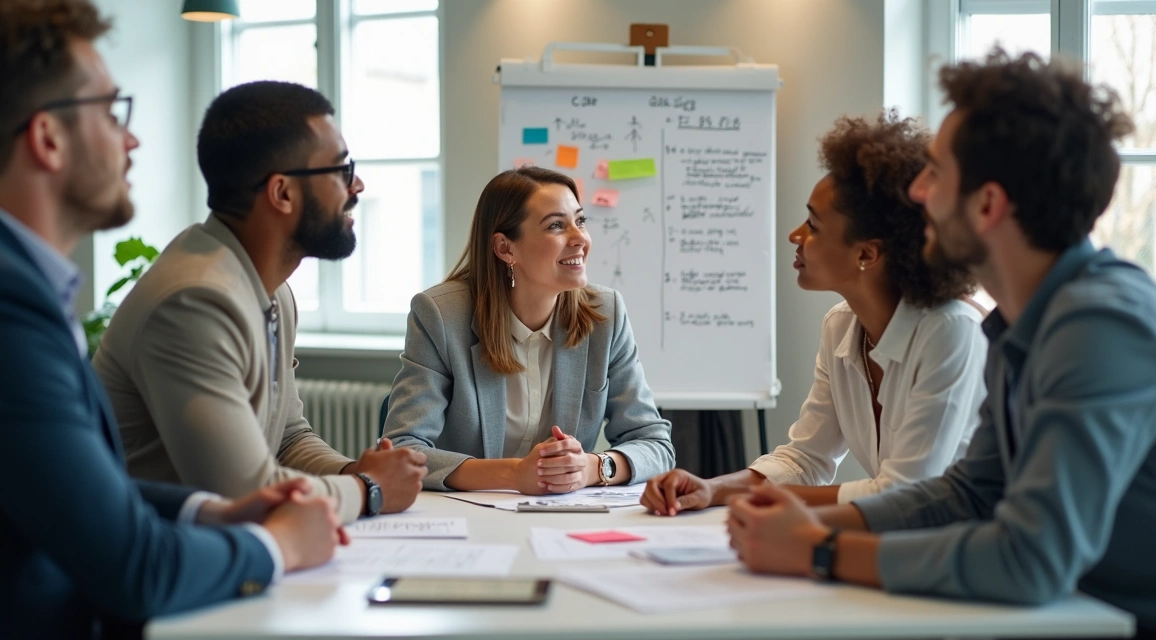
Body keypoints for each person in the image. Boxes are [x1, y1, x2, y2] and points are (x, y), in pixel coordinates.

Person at [0, 1, 343, 637]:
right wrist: (279, 546)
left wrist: (213, 512)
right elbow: (135, 569)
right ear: (48, 138)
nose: (131, 138)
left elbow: (84, 493)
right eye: (110, 111)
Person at [727, 50, 1156, 635]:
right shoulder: (1023, 322)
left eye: (936, 173)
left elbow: (1028, 559)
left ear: (987, 205)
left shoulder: (1098, 326)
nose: (919, 191)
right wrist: (810, 523)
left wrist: (816, 550)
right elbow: (969, 494)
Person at [93, 80, 427, 524]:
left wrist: (353, 471)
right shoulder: (195, 301)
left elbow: (287, 438)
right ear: (282, 193)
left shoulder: (271, 290)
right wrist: (367, 490)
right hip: (161, 560)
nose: (357, 185)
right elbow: (243, 492)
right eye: (341, 170)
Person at [643, 112, 986, 515]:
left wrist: (762, 499)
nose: (795, 236)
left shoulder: (952, 331)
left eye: (813, 224)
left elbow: (906, 491)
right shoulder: (841, 326)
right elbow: (806, 460)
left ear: (866, 254)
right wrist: (712, 487)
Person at [382, 166, 674, 493]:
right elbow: (403, 450)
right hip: (471, 518)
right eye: (555, 226)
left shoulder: (605, 314)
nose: (580, 239)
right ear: (506, 249)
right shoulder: (441, 316)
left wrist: (592, 467)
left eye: (580, 221)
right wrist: (513, 474)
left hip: (564, 518)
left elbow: (654, 443)